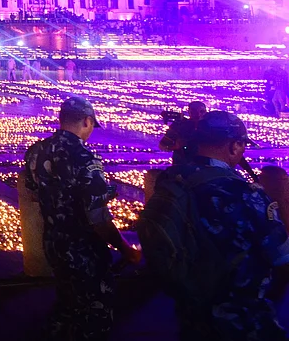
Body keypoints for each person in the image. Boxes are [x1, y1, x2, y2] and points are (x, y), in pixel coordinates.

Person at [147, 111, 289, 340]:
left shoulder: (171, 182)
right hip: (241, 321)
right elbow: (282, 256)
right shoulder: (243, 194)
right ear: (234, 146)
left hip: (190, 313)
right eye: (242, 145)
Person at [24, 96, 140, 341]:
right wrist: (125, 248)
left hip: (54, 242)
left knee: (67, 302)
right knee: (95, 311)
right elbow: (97, 216)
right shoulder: (85, 158)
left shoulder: (37, 150)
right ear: (88, 121)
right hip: (83, 249)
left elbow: (33, 192)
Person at [158, 100, 208, 165]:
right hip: (182, 165)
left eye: (202, 112)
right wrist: (176, 147)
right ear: (189, 112)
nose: (198, 115)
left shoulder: (210, 127)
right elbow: (162, 145)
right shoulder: (178, 126)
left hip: (204, 165)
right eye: (194, 112)